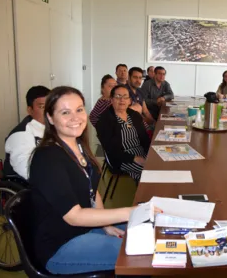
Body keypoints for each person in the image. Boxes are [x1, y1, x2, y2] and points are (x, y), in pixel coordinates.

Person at [28, 86, 156, 275]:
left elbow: (93, 191)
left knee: (151, 232)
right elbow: (74, 216)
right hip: (61, 246)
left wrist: (106, 225)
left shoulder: (78, 146)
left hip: (86, 230)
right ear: (50, 118)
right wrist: (130, 212)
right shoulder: (47, 158)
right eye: (65, 112)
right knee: (146, 254)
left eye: (79, 110)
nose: (75, 118)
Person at [96, 85, 151, 182]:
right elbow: (111, 150)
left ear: (130, 101)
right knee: (151, 173)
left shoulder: (134, 115)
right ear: (112, 100)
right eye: (118, 97)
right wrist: (135, 158)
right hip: (122, 158)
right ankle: (145, 195)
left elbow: (145, 138)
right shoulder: (105, 121)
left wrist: (149, 154)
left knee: (160, 166)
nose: (122, 100)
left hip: (141, 152)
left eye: (125, 97)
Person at [4, 86, 50, 179]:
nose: (48, 111)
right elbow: (26, 169)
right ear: (30, 110)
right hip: (33, 181)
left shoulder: (53, 127)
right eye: (42, 107)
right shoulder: (21, 134)